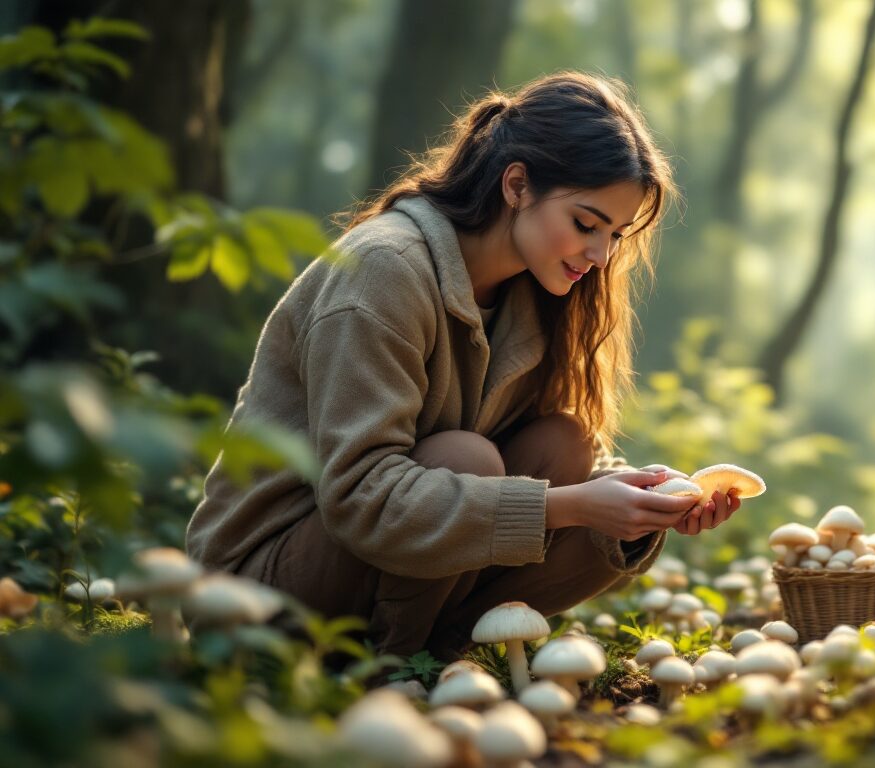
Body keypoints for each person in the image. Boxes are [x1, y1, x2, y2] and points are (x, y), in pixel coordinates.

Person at [186, 72, 742, 658]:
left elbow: (556, 467)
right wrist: (572, 504)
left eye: (614, 234)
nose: (601, 256)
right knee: (468, 460)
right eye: (585, 223)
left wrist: (644, 499)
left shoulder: (533, 292)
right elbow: (360, 499)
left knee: (566, 445)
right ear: (517, 185)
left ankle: (443, 658)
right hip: (256, 592)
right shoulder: (383, 270)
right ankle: (393, 673)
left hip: (376, 572)